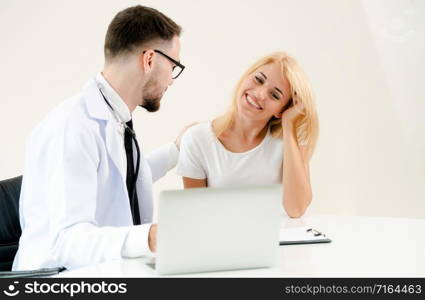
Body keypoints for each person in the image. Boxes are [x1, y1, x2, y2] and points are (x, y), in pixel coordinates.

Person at [13, 5, 189, 271]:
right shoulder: (72, 127)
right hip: (55, 280)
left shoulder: (115, 117)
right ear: (150, 59)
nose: (172, 80)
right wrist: (150, 237)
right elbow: (67, 242)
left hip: (99, 272)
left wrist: (174, 151)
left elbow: (118, 180)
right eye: (173, 66)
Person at [176, 52, 319, 218]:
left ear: (282, 110)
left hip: (275, 241)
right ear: (246, 77)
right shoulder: (197, 139)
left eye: (275, 95)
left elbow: (296, 209)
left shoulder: (289, 143)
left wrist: (288, 126)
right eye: (258, 79)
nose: (260, 94)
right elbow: (196, 214)